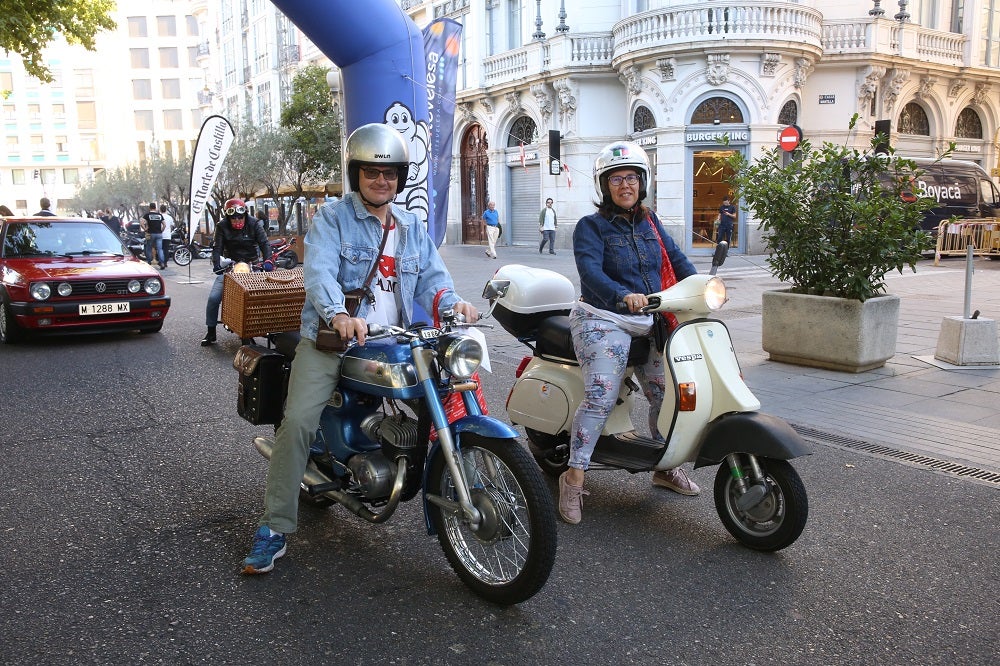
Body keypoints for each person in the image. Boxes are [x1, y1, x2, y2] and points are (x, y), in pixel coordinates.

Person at [242, 123, 478, 574]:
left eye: (389, 174)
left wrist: (453, 304)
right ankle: (273, 527)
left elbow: (433, 279)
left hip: (395, 340)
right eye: (372, 172)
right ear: (357, 175)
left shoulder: (410, 226)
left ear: (400, 178)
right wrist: (338, 314)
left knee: (446, 392)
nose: (381, 180)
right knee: (297, 423)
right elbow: (320, 274)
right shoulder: (332, 218)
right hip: (334, 340)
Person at [559, 140, 701, 525]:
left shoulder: (651, 223)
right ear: (604, 186)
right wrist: (624, 296)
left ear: (643, 182)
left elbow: (679, 261)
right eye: (617, 178)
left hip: (648, 319)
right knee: (602, 395)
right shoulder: (590, 227)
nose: (626, 185)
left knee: (666, 393)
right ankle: (573, 477)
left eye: (632, 178)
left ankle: (663, 464)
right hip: (602, 317)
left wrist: (703, 286)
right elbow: (591, 274)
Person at [200, 197, 269, 346]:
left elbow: (264, 243)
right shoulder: (221, 226)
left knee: (262, 297)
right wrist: (217, 263)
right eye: (233, 218)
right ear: (228, 217)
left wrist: (268, 260)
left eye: (240, 217)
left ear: (245, 215)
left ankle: (261, 328)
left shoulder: (254, 223)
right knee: (213, 298)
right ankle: (211, 331)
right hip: (231, 266)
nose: (237, 220)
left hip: (252, 265)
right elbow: (217, 247)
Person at [140, 202, 166, 269]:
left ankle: (149, 262)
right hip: (159, 234)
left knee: (149, 248)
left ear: (150, 207)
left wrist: (145, 229)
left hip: (151, 234)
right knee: (160, 249)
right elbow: (164, 225)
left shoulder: (147, 215)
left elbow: (141, 223)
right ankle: (162, 263)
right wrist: (161, 231)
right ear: (155, 207)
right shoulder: (159, 215)